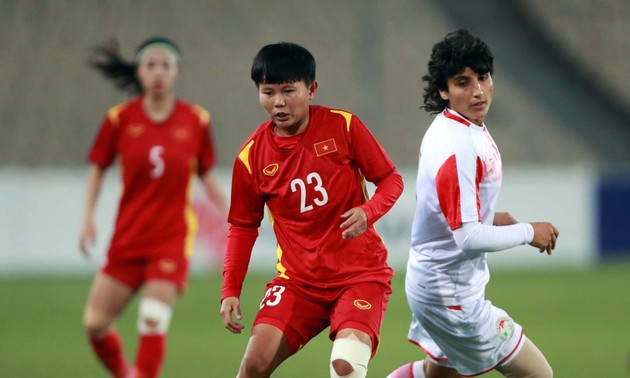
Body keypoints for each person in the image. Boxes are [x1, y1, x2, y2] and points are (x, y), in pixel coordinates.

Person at [219, 42, 404, 378]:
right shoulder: (251, 157)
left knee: (346, 366)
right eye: (268, 92)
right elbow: (243, 228)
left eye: (289, 90)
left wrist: (369, 211)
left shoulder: (343, 126)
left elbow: (391, 179)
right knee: (253, 366)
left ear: (311, 89)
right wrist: (230, 290)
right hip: (298, 283)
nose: (278, 102)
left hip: (359, 276)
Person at [387, 29, 559, 378]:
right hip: (451, 295)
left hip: (434, 284)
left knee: (439, 375)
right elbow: (466, 237)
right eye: (463, 82)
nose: (478, 90)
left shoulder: (454, 127)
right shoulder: (458, 146)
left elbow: (435, 202)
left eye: (482, 77)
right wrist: (529, 232)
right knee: (539, 375)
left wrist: (489, 217)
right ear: (444, 90)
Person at [79, 36, 227, 378]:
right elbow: (98, 168)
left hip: (171, 238)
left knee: (152, 316)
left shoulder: (196, 120)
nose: (158, 72)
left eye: (166, 65)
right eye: (151, 65)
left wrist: (234, 216)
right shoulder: (119, 119)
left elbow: (205, 174)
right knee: (95, 325)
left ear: (177, 73)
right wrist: (88, 218)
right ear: (139, 72)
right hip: (128, 238)